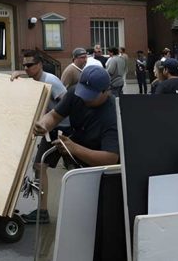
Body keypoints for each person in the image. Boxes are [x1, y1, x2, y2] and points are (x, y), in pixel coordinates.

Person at [28, 66, 120, 224]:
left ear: (106, 91)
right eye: (83, 93)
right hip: (77, 150)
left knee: (96, 215)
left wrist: (74, 148)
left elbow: (110, 158)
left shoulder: (113, 115)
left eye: (91, 96)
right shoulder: (75, 93)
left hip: (99, 167)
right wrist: (44, 124)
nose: (85, 99)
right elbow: (55, 115)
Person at [15, 51, 68, 225]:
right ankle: (43, 210)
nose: (26, 68)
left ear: (39, 65)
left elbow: (66, 103)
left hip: (63, 130)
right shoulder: (37, 80)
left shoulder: (51, 81)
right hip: (50, 130)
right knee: (39, 166)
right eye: (24, 65)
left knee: (43, 166)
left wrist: (51, 120)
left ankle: (44, 211)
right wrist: (20, 74)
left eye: (29, 65)